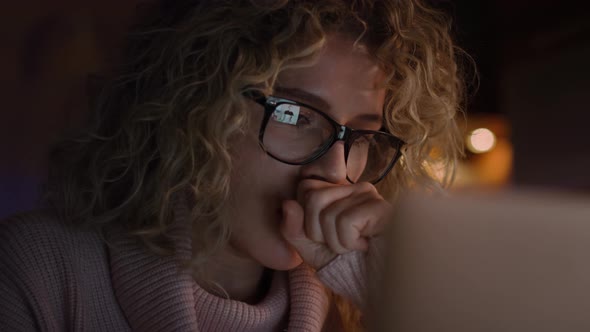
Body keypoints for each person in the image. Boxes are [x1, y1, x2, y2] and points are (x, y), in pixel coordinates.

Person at [0, 0, 465, 330]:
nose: (335, 171)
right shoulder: (36, 273)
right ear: (195, 107)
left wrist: (400, 298)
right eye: (294, 115)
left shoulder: (350, 309)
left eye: (360, 134)